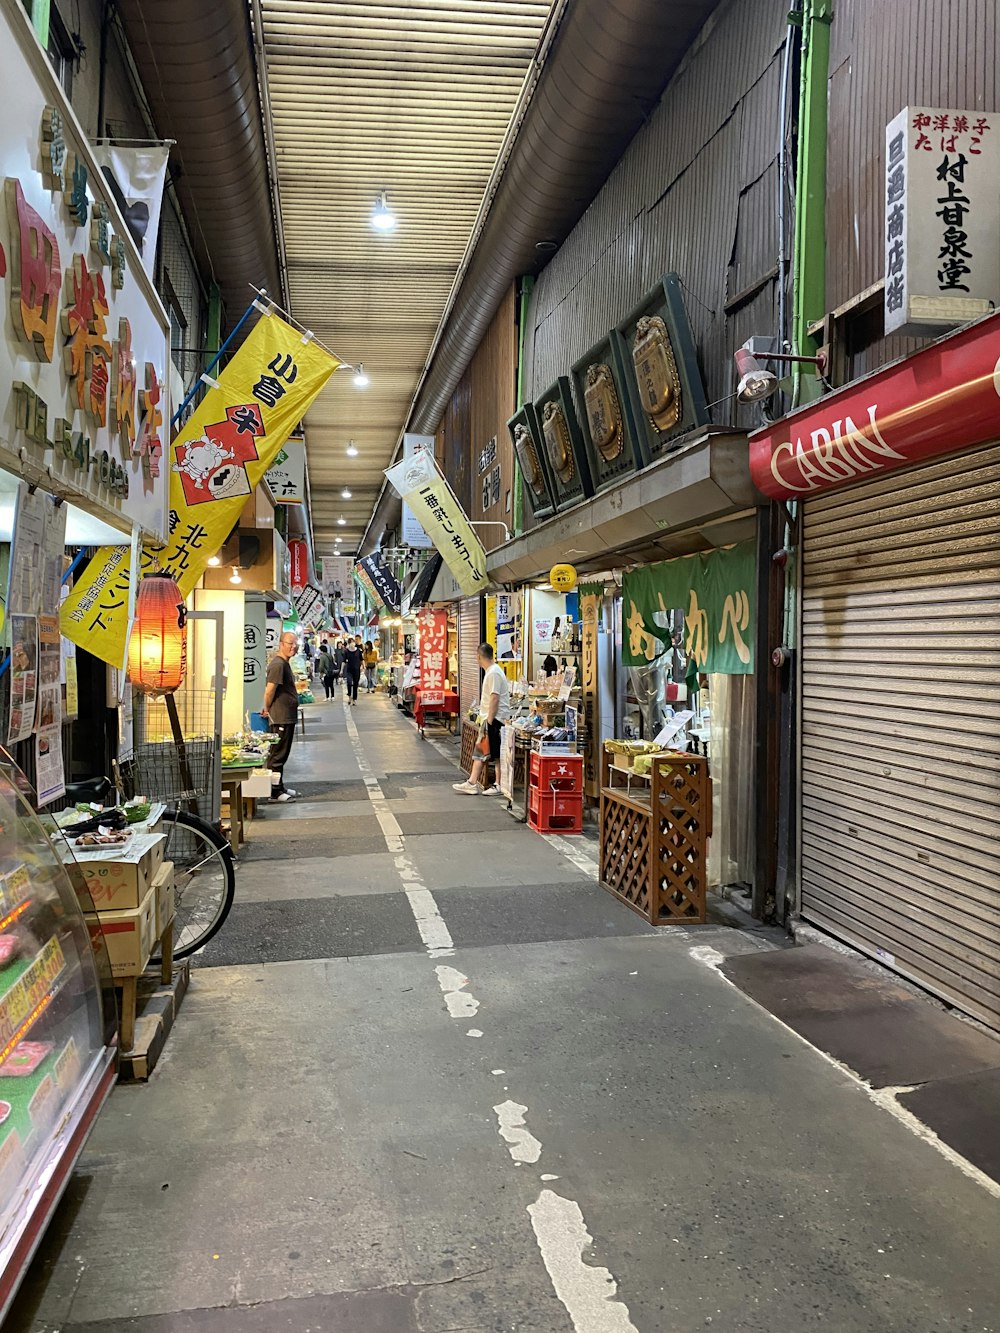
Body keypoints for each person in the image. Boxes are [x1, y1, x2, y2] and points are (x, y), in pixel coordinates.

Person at [454, 643, 510, 796]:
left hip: (494, 719)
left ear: (479, 656)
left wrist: (490, 721)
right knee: (481, 751)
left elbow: (494, 698)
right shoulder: (493, 671)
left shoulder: (493, 673)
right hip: (490, 718)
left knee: (496, 753)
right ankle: (472, 782)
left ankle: (497, 784)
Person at [261, 631, 299, 802]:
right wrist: (267, 708)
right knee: (277, 755)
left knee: (282, 754)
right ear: (281, 643)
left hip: (286, 715)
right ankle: (274, 791)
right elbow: (270, 691)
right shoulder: (278, 665)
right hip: (280, 716)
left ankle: (280, 786)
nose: (293, 647)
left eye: (295, 644)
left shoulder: (284, 663)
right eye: (290, 643)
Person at [343, 636, 363, 705]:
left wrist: (363, 666)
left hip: (357, 670)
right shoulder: (346, 651)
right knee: (349, 682)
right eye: (350, 643)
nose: (352, 644)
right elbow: (344, 661)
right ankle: (349, 697)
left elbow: (361, 659)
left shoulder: (358, 651)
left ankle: (354, 699)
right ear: (348, 644)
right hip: (349, 670)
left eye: (353, 642)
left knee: (355, 684)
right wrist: (341, 670)